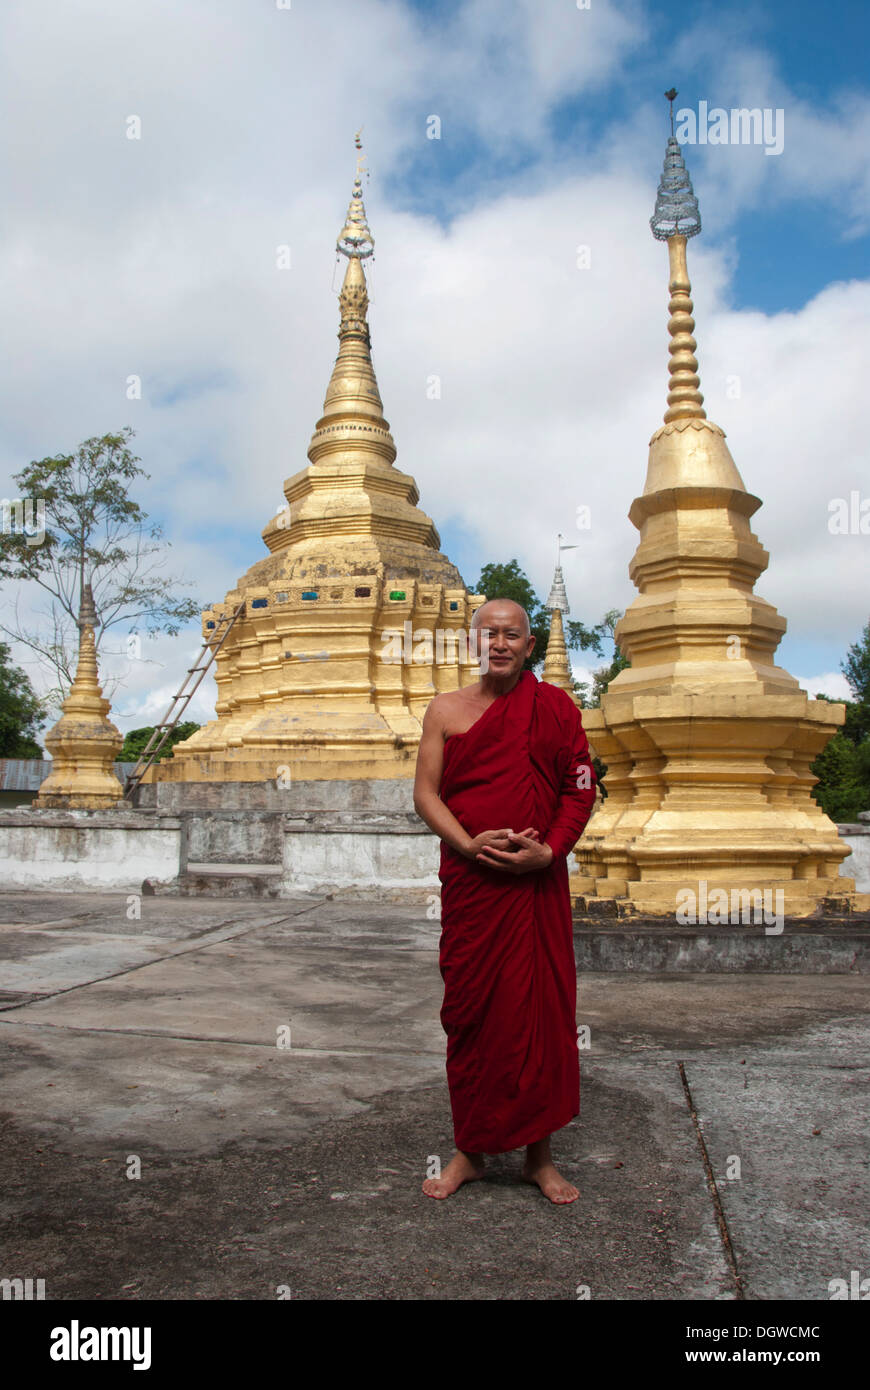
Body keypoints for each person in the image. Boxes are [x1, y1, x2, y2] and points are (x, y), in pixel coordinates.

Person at [413, 597, 597, 1203]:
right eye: (488, 633)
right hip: (473, 887)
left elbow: (580, 789)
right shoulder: (445, 710)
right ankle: (471, 1150)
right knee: (472, 1013)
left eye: (511, 635)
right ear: (474, 642)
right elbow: (426, 795)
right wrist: (467, 845)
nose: (499, 644)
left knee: (540, 1015)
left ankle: (538, 1157)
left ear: (528, 644)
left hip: (537, 885)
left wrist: (554, 851)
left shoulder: (555, 709)